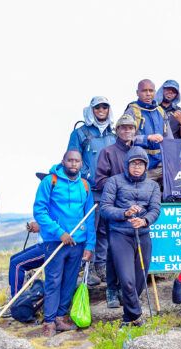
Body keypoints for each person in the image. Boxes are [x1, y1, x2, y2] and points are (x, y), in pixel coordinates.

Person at [33, 150, 95, 337]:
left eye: (77, 161)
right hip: (55, 242)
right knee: (53, 281)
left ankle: (60, 317)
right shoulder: (49, 182)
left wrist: (90, 245)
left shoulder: (85, 185)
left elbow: (89, 216)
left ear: (81, 164)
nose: (73, 164)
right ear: (63, 161)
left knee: (69, 282)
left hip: (78, 243)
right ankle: (49, 322)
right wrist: (59, 232)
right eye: (70, 160)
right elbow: (39, 211)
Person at [100, 146, 161, 327]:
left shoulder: (153, 185)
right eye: (133, 163)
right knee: (127, 280)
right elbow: (105, 208)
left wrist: (144, 221)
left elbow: (156, 209)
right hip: (120, 236)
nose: (136, 167)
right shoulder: (114, 181)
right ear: (127, 165)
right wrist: (125, 213)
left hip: (142, 235)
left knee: (139, 282)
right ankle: (138, 318)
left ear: (145, 166)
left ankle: (128, 319)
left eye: (140, 164)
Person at [68, 96, 117, 286]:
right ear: (92, 110)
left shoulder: (114, 133)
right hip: (89, 189)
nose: (102, 110)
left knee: (106, 227)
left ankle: (101, 265)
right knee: (91, 226)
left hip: (110, 190)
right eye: (98, 107)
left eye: (105, 106)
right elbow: (73, 160)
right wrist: (88, 177)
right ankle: (87, 266)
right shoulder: (81, 133)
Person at [95, 114, 138, 308]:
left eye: (130, 128)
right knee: (113, 251)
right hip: (114, 208)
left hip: (135, 209)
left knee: (130, 252)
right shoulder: (108, 152)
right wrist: (118, 187)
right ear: (117, 130)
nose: (127, 131)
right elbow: (100, 180)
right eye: (123, 128)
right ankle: (111, 289)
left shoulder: (138, 151)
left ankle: (125, 289)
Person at [124, 79, 167, 186]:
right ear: (137, 92)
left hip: (162, 164)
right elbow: (125, 137)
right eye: (144, 91)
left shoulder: (160, 111)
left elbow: (169, 138)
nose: (148, 94)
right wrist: (147, 138)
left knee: (173, 194)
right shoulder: (132, 111)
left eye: (151, 91)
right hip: (141, 165)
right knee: (142, 196)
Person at [8, 222, 45, 297]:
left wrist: (41, 226)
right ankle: (15, 292)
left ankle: (15, 301)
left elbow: (58, 222)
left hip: (49, 245)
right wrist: (35, 226)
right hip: (41, 244)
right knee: (13, 259)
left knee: (16, 264)